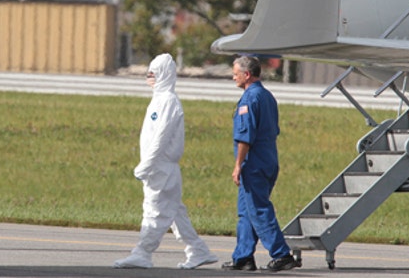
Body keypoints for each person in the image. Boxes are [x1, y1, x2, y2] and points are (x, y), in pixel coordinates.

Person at [113, 53, 218, 270]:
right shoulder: (159, 100)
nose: (148, 77)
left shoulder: (168, 101)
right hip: (158, 167)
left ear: (163, 75)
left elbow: (162, 136)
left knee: (155, 211)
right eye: (148, 73)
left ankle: (142, 253)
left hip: (161, 167)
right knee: (175, 212)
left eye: (153, 73)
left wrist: (147, 164)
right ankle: (197, 250)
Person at [222, 56, 300, 272]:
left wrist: (238, 165)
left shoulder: (249, 99)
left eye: (236, 73)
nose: (233, 76)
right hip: (269, 159)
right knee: (246, 211)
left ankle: (281, 254)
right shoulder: (267, 96)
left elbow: (245, 137)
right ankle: (243, 257)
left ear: (247, 75)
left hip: (253, 163)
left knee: (258, 209)